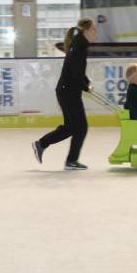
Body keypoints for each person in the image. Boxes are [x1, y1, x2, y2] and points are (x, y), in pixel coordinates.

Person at [32, 18, 97, 170]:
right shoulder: (79, 46)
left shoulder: (80, 44)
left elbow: (77, 71)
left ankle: (41, 144)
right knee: (80, 127)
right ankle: (70, 160)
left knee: (71, 127)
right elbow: (75, 73)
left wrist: (86, 82)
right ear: (86, 30)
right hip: (68, 92)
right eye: (94, 29)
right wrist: (86, 86)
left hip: (68, 90)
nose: (96, 32)